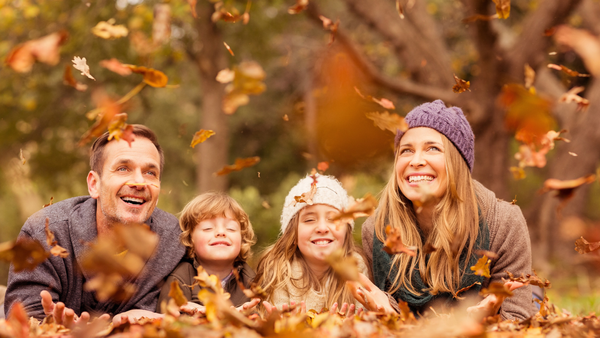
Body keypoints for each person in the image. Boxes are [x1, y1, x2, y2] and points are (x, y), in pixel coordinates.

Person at [356, 100, 537, 320]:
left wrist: (486, 324)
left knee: (533, 296)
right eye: (406, 150)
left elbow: (518, 319)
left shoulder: (504, 222)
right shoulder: (376, 231)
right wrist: (389, 317)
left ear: (457, 161)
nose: (416, 160)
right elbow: (377, 315)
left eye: (432, 148)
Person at [4, 125, 185, 324]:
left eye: (151, 173)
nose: (139, 182)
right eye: (123, 169)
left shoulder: (175, 239)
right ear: (94, 185)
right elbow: (23, 316)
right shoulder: (46, 233)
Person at [254, 174, 368, 314]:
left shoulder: (356, 268)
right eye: (309, 220)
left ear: (346, 231)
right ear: (293, 234)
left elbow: (365, 322)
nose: (322, 228)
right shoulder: (278, 271)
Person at [156, 192, 259, 313]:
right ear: (190, 239)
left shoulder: (251, 280)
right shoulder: (180, 279)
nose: (221, 232)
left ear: (242, 239)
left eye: (231, 228)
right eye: (208, 228)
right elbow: (164, 321)